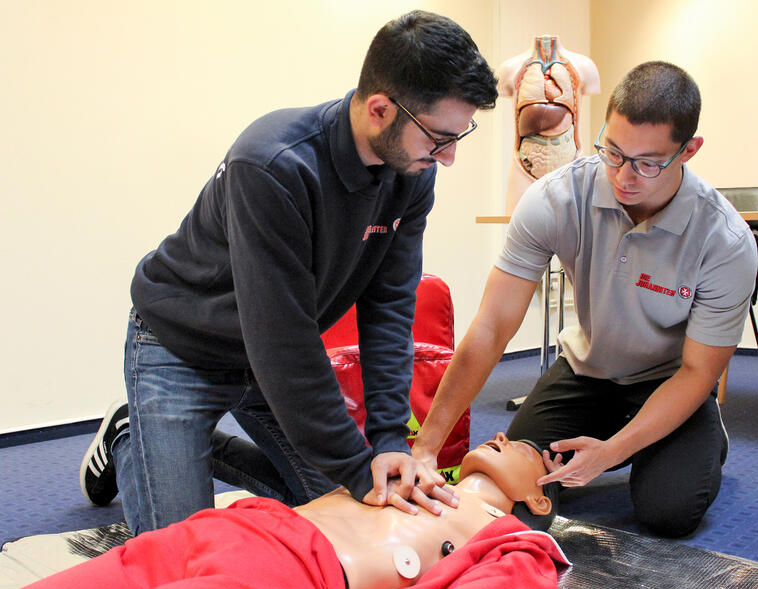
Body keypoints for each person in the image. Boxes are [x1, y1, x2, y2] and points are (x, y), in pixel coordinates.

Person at [79, 10, 498, 536]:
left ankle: (176, 443)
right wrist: (355, 467)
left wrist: (390, 441)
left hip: (273, 354)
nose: (450, 157)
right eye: (439, 138)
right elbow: (282, 341)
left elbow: (389, 306)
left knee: (348, 512)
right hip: (182, 349)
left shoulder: (412, 173)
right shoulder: (273, 164)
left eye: (460, 136)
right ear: (380, 110)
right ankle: (132, 435)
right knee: (182, 554)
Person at [412, 61, 758, 537]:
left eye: (648, 162)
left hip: (669, 381)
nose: (624, 176)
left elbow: (699, 371)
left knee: (667, 512)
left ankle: (695, 436)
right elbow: (492, 326)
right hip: (587, 372)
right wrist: (427, 445)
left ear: (689, 150)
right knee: (509, 486)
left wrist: (611, 452)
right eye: (613, 151)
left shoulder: (725, 241)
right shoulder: (555, 199)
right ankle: (615, 439)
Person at [23, 434, 567, 589]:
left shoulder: (511, 538)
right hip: (235, 524)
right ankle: (132, 433)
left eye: (522, 447)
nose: (502, 434)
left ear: (539, 501)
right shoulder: (407, 469)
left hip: (291, 574)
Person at [497, 35, 600, 214]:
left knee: (575, 226)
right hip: (525, 164)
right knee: (517, 224)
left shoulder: (584, 66)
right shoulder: (509, 68)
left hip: (570, 162)